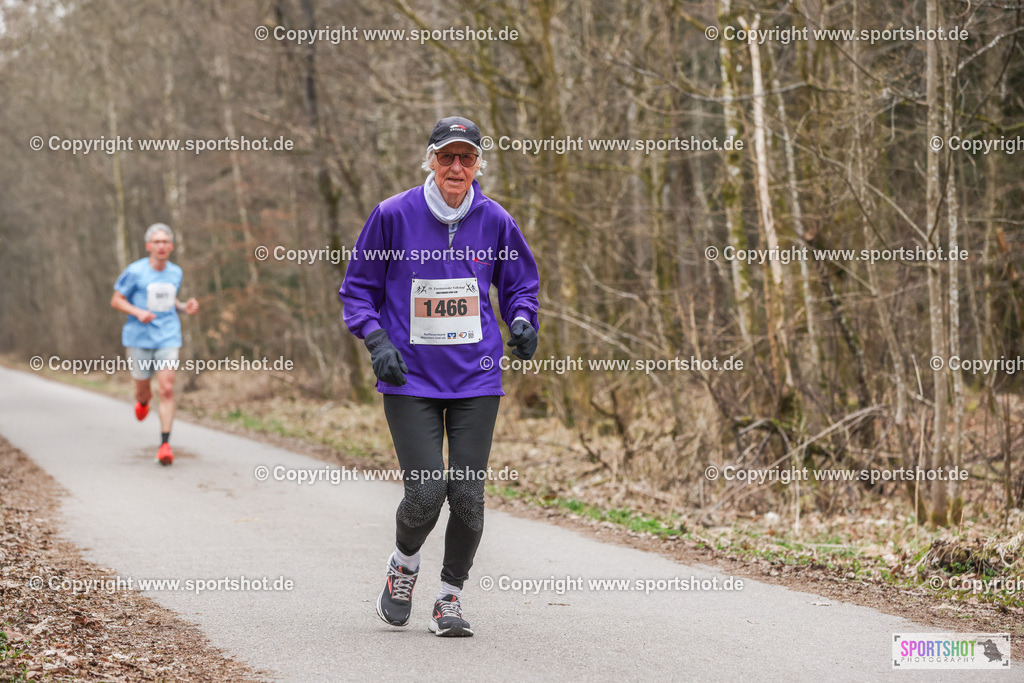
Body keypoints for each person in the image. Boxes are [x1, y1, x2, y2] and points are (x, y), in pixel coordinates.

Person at [340, 116, 540, 637]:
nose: (456, 167)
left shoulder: (495, 220)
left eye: (466, 158)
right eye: (446, 157)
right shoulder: (392, 216)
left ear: (478, 165)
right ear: (430, 159)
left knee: (468, 497)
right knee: (428, 492)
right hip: (408, 378)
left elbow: (521, 284)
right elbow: (358, 289)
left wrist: (522, 320)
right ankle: (403, 568)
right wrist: (377, 340)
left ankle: (449, 599)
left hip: (476, 378)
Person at [110, 223, 199, 466]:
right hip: (139, 338)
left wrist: (183, 307)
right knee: (144, 390)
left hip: (168, 336)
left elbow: (170, 302)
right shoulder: (135, 272)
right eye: (156, 242)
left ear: (171, 246)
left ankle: (165, 444)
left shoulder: (175, 273)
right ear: (149, 246)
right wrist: (137, 312)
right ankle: (142, 401)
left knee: (167, 388)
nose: (161, 246)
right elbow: (116, 300)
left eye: (165, 242)